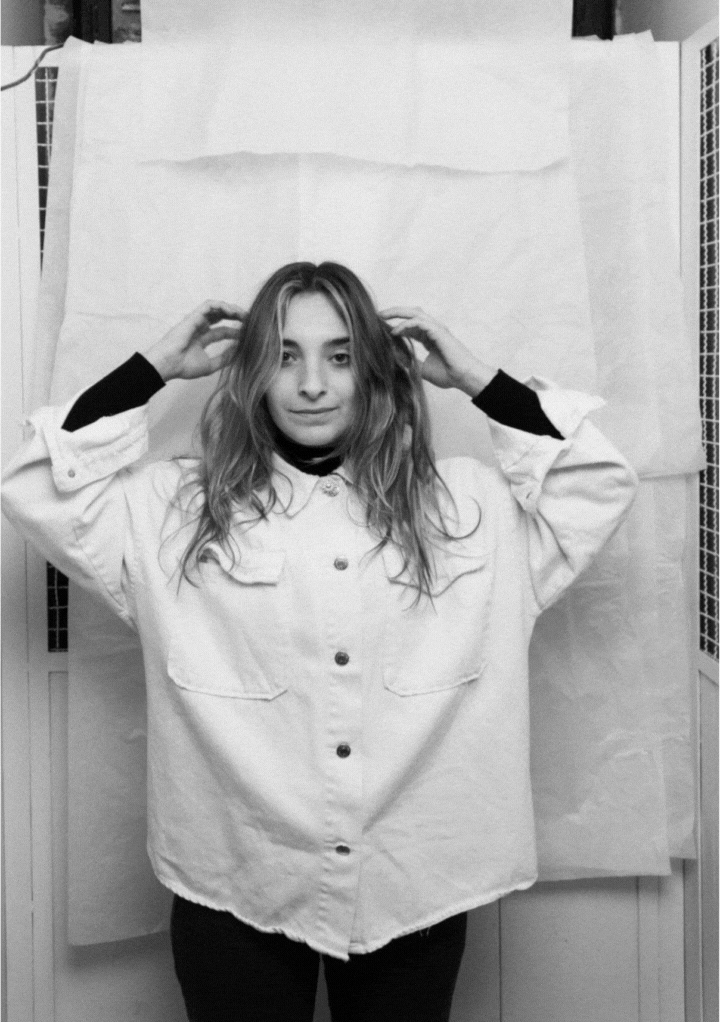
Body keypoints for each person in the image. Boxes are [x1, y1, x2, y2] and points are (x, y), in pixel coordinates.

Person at [2, 261, 638, 1022]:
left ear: (373, 370)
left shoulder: (470, 506)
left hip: (415, 887)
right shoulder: (175, 510)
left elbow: (595, 482)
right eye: (282, 354)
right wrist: (153, 369)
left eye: (340, 356)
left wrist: (475, 377)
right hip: (236, 882)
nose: (312, 383)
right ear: (252, 373)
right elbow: (36, 482)